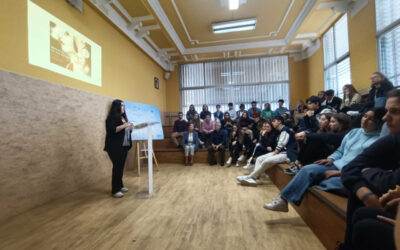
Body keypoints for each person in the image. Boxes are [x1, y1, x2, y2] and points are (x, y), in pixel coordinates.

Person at [263, 108, 385, 212]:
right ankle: (283, 201)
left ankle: (308, 182)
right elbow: (340, 151)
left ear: (379, 122)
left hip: (350, 173)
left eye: (370, 119)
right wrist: (331, 159)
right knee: (307, 169)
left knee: (328, 182)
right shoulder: (354, 132)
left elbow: (366, 166)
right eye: (364, 116)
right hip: (336, 164)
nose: (365, 120)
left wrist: (339, 172)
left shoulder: (379, 141)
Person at [339, 89, 400, 250]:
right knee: (360, 207)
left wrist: (368, 172)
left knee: (366, 225)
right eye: (387, 111)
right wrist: (367, 196)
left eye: (395, 112)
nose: (386, 118)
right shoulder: (393, 139)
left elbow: (393, 181)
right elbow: (349, 168)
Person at [236, 116, 297, 186]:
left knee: (266, 160)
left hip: (287, 154)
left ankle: (251, 177)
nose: (272, 123)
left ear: (279, 122)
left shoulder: (285, 130)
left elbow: (281, 144)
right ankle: (252, 177)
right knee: (259, 158)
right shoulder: (280, 131)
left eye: (274, 121)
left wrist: (273, 155)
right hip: (280, 153)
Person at [285, 113, 351, 176]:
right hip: (329, 156)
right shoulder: (326, 130)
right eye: (330, 122)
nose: (330, 124)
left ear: (341, 124)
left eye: (333, 122)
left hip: (336, 160)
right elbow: (313, 131)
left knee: (314, 140)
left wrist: (306, 135)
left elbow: (328, 137)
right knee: (308, 140)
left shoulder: (345, 134)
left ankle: (301, 165)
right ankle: (299, 164)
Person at [104, 100, 134, 198]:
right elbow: (113, 130)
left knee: (120, 167)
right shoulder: (111, 118)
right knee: (117, 167)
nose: (123, 107)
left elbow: (125, 132)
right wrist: (125, 125)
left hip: (124, 146)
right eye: (121, 105)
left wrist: (130, 128)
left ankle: (120, 186)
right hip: (114, 147)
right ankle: (115, 190)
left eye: (124, 106)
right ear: (116, 107)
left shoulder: (123, 117)